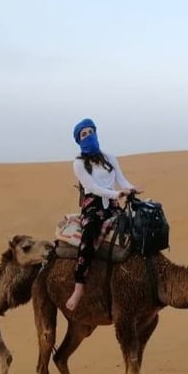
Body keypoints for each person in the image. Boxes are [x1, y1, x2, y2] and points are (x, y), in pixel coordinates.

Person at [65, 118, 142, 311]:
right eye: (84, 134)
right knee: (90, 233)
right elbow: (93, 187)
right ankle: (79, 286)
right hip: (93, 205)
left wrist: (131, 189)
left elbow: (122, 180)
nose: (89, 136)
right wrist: (117, 193)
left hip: (113, 204)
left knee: (133, 226)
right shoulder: (79, 164)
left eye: (91, 131)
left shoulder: (110, 158)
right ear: (79, 139)